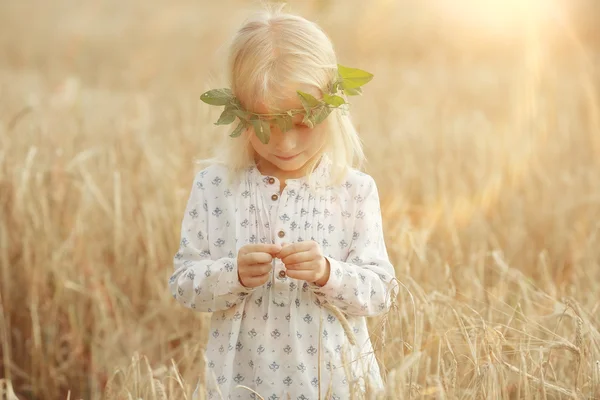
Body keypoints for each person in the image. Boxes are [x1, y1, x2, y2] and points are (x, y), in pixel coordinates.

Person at [169, 4, 398, 399]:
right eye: (266, 125)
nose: (286, 143)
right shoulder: (215, 187)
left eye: (302, 123)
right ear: (240, 117)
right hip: (241, 384)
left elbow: (381, 291)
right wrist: (232, 274)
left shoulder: (353, 190)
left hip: (334, 384)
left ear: (332, 109)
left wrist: (328, 271)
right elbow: (183, 284)